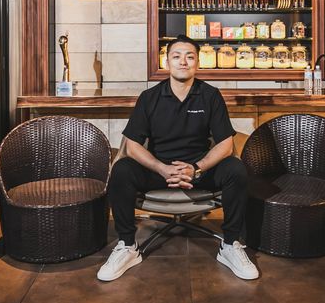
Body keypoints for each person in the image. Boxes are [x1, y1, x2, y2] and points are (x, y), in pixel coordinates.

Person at [97, 35, 259, 282]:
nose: (183, 61)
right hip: (159, 171)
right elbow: (132, 145)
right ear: (167, 62)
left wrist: (196, 168)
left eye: (190, 56)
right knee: (122, 170)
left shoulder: (210, 95)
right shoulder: (150, 97)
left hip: (199, 172)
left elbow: (226, 144)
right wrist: (161, 168)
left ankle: (230, 245)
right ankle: (127, 246)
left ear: (197, 63)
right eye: (176, 56)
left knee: (235, 169)